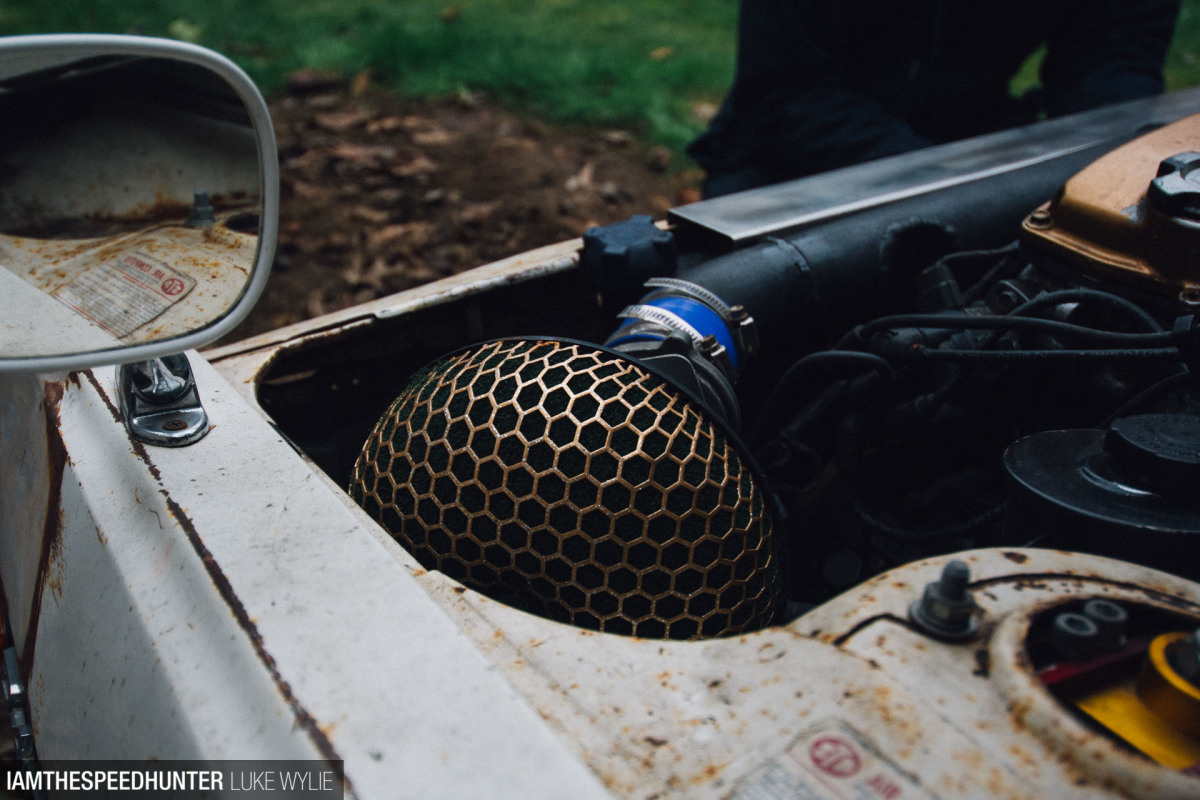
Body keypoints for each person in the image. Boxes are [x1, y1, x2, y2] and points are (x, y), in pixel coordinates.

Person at [689, 0, 1182, 197]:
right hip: (790, 160)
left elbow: (1111, 60)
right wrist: (944, 181)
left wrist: (1117, 173)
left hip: (976, 140)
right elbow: (784, 87)